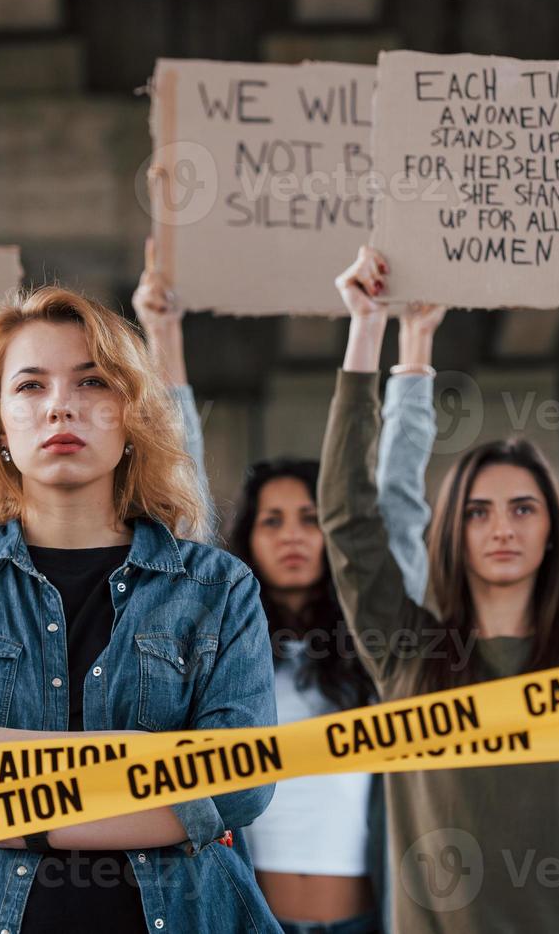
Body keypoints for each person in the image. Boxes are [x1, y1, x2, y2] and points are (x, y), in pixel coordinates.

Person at [0, 286, 281, 934]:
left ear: (132, 415)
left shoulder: (216, 588)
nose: (61, 405)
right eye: (30, 387)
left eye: (91, 383)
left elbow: (236, 783)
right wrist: (149, 760)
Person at [318, 238, 559, 932]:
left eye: (523, 508)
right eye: (477, 512)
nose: (501, 529)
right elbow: (346, 517)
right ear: (453, 533)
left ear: (551, 529)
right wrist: (366, 326)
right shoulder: (406, 653)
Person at [132, 236, 443, 934]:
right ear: (249, 540)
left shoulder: (374, 643)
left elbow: (395, 505)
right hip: (245, 916)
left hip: (364, 920)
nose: (294, 533)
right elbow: (182, 503)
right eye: (272, 520)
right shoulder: (220, 639)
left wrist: (413, 343)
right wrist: (163, 332)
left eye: (310, 517)